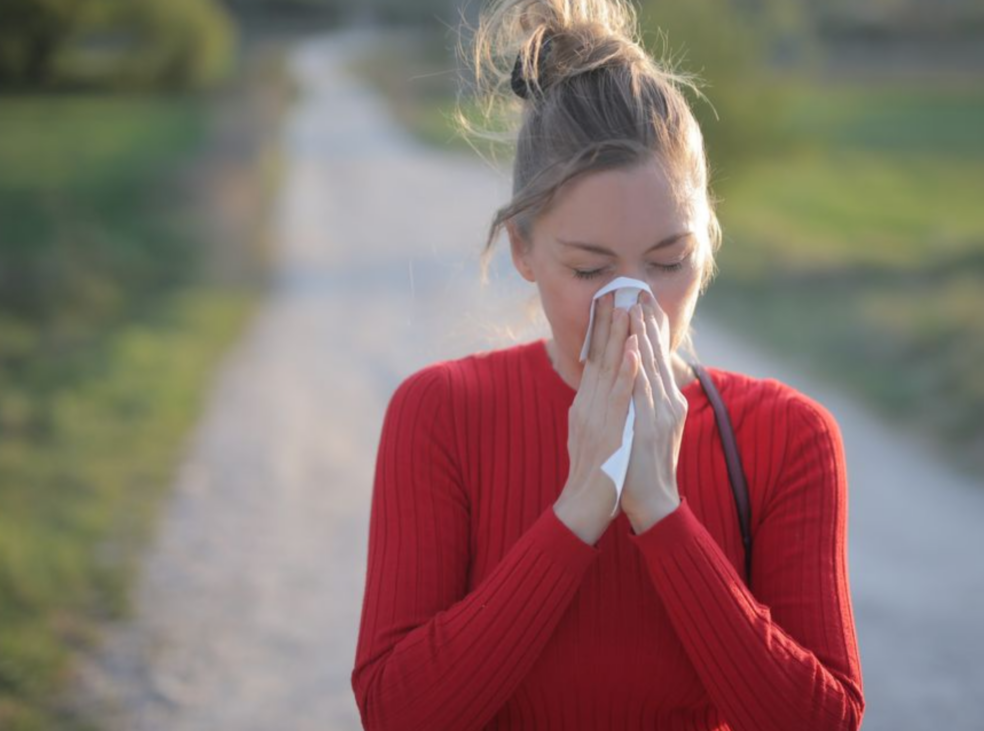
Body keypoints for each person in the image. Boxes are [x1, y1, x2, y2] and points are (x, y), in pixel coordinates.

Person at [351, 1, 865, 729]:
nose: (636, 302)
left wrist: (659, 508)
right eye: (590, 269)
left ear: (707, 245)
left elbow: (824, 721)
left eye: (668, 261)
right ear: (524, 251)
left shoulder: (787, 437)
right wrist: (580, 506)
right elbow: (397, 712)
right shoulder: (441, 414)